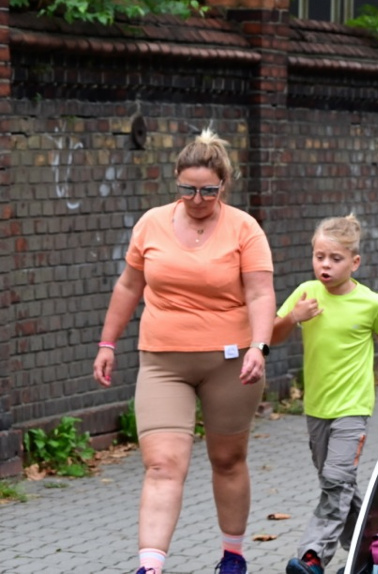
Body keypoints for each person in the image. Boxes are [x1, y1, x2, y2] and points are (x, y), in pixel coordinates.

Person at [92, 130, 276, 574]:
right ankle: (150, 566)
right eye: (188, 189)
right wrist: (107, 343)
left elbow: (259, 293)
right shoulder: (151, 223)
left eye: (208, 191)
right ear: (176, 179)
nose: (197, 199)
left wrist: (259, 346)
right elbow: (129, 286)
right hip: (163, 360)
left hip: (230, 363)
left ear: (223, 185)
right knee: (161, 464)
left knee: (227, 459)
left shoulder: (244, 228)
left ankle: (233, 554)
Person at [274, 215, 378, 574]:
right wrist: (293, 317)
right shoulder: (305, 294)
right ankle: (373, 550)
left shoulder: (371, 303)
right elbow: (272, 336)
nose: (325, 265)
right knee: (338, 484)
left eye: (335, 258)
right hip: (317, 407)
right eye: (319, 257)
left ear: (355, 262)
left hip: (353, 407)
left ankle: (313, 555)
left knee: (336, 481)